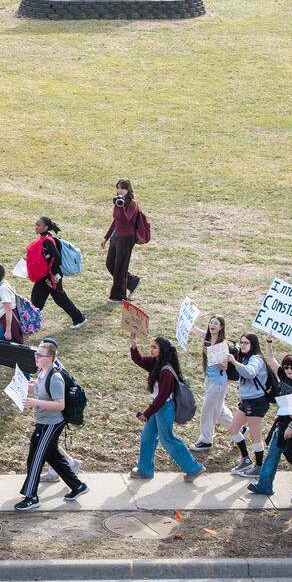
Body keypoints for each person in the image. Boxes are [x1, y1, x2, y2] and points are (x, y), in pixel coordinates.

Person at [16, 341, 88, 510]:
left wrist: (35, 402)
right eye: (36, 354)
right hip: (44, 422)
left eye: (40, 355)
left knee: (35, 458)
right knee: (52, 455)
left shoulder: (55, 377)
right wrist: (25, 384)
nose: (36, 357)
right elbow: (40, 386)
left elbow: (60, 405)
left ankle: (31, 496)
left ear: (50, 358)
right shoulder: (43, 371)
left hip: (50, 423)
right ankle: (78, 486)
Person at [128, 333, 205, 482]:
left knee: (167, 439)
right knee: (147, 437)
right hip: (158, 408)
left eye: (154, 347)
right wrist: (134, 346)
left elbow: (162, 397)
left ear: (162, 350)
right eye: (151, 346)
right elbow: (138, 359)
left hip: (164, 408)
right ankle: (144, 470)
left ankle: (194, 468)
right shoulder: (156, 363)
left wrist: (147, 413)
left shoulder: (166, 371)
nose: (151, 350)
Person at [248, 341, 292, 496]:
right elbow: (270, 358)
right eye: (286, 367)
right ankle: (264, 486)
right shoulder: (283, 377)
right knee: (272, 455)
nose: (289, 370)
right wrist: (269, 341)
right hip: (280, 425)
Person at [29, 217, 86, 329]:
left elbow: (57, 258)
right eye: (36, 224)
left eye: (39, 225)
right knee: (37, 298)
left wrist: (55, 275)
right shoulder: (45, 238)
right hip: (45, 276)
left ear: (46, 227)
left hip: (52, 276)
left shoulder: (47, 241)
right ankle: (31, 322)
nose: (36, 227)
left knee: (60, 299)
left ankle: (79, 319)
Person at [225, 332, 269, 477]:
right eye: (242, 342)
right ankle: (246, 459)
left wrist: (234, 362)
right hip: (246, 402)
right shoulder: (246, 358)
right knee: (233, 429)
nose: (243, 345)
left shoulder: (256, 359)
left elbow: (250, 373)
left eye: (246, 343)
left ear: (253, 344)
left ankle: (259, 467)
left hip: (256, 402)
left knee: (255, 435)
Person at [189, 315, 234, 454]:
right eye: (211, 322)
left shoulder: (223, 344)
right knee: (219, 411)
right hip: (209, 380)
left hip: (218, 383)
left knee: (207, 412)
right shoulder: (207, 337)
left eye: (216, 323)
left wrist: (211, 355)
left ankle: (206, 441)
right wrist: (191, 314)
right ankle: (239, 428)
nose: (212, 325)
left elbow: (225, 366)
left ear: (221, 327)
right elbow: (194, 329)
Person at [102, 179, 142, 304]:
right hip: (116, 237)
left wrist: (120, 206)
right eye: (118, 188)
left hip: (126, 238)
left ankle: (118, 296)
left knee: (120, 267)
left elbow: (125, 219)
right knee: (110, 264)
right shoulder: (118, 201)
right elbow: (116, 221)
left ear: (128, 189)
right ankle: (132, 281)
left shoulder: (132, 204)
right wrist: (106, 237)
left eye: (123, 188)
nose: (120, 190)